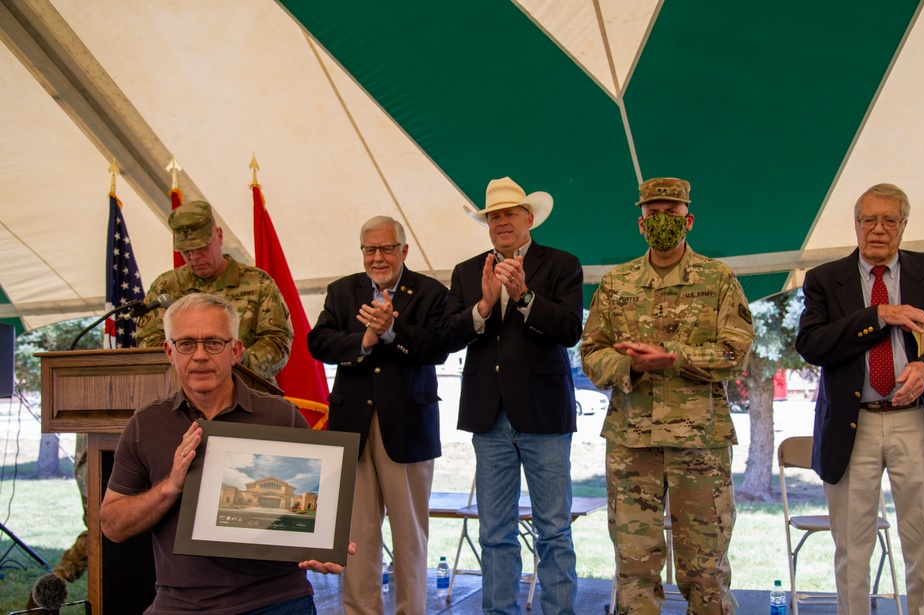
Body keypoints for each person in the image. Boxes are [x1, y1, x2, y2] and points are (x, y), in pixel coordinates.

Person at [100, 293, 350, 614]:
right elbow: (112, 526)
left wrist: (326, 545)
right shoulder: (146, 425)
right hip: (181, 604)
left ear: (235, 351)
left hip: (275, 599)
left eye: (214, 343)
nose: (200, 355)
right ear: (169, 352)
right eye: (186, 344)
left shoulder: (282, 417)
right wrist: (171, 486)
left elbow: (321, 512)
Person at [795, 183, 924, 615]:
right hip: (854, 424)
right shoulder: (824, 279)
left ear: (903, 226)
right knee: (853, 550)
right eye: (869, 220)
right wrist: (878, 315)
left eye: (889, 220)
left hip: (918, 419)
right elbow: (812, 344)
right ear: (855, 225)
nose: (878, 229)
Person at [580, 177, 755, 615]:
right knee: (634, 566)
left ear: (688, 221)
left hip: (700, 445)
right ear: (640, 224)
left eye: (671, 214)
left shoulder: (718, 280)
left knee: (706, 569)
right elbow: (591, 354)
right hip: (631, 443)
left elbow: (736, 353)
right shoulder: (616, 283)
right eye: (652, 214)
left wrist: (673, 358)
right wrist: (631, 365)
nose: (661, 222)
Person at [439, 176, 582, 615]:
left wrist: (523, 296)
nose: (501, 222)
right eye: (493, 216)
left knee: (554, 529)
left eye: (508, 214)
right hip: (489, 418)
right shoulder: (467, 271)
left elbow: (570, 330)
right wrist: (481, 309)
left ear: (529, 218)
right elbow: (444, 336)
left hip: (543, 415)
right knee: (494, 531)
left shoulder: (561, 264)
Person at [307, 216, 448, 615]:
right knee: (356, 537)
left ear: (404, 250)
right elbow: (317, 341)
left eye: (387, 248)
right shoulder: (341, 291)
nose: (378, 257)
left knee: (409, 537)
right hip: (352, 428)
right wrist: (365, 340)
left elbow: (438, 347)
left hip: (407, 430)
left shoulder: (430, 292)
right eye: (370, 249)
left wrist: (391, 334)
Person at [136, 199, 293, 382]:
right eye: (186, 251)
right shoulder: (165, 287)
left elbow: (278, 342)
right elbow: (148, 341)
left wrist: (242, 359)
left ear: (219, 235)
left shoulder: (258, 283)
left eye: (201, 247)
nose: (194, 257)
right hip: (181, 392)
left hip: (246, 389)